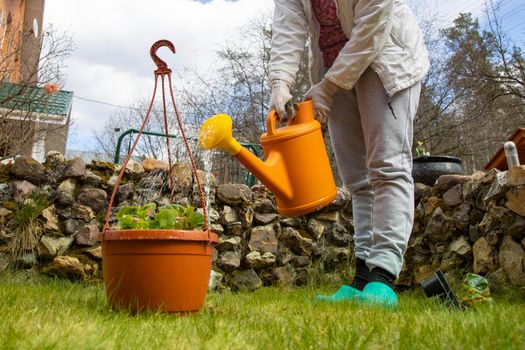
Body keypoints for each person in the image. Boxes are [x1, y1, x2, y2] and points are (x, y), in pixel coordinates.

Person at [269, 0, 430, 307]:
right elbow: (287, 26)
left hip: (385, 56)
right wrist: (280, 81)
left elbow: (375, 21)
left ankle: (382, 277)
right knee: (357, 180)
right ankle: (361, 280)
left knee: (387, 166)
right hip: (332, 66)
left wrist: (329, 87)